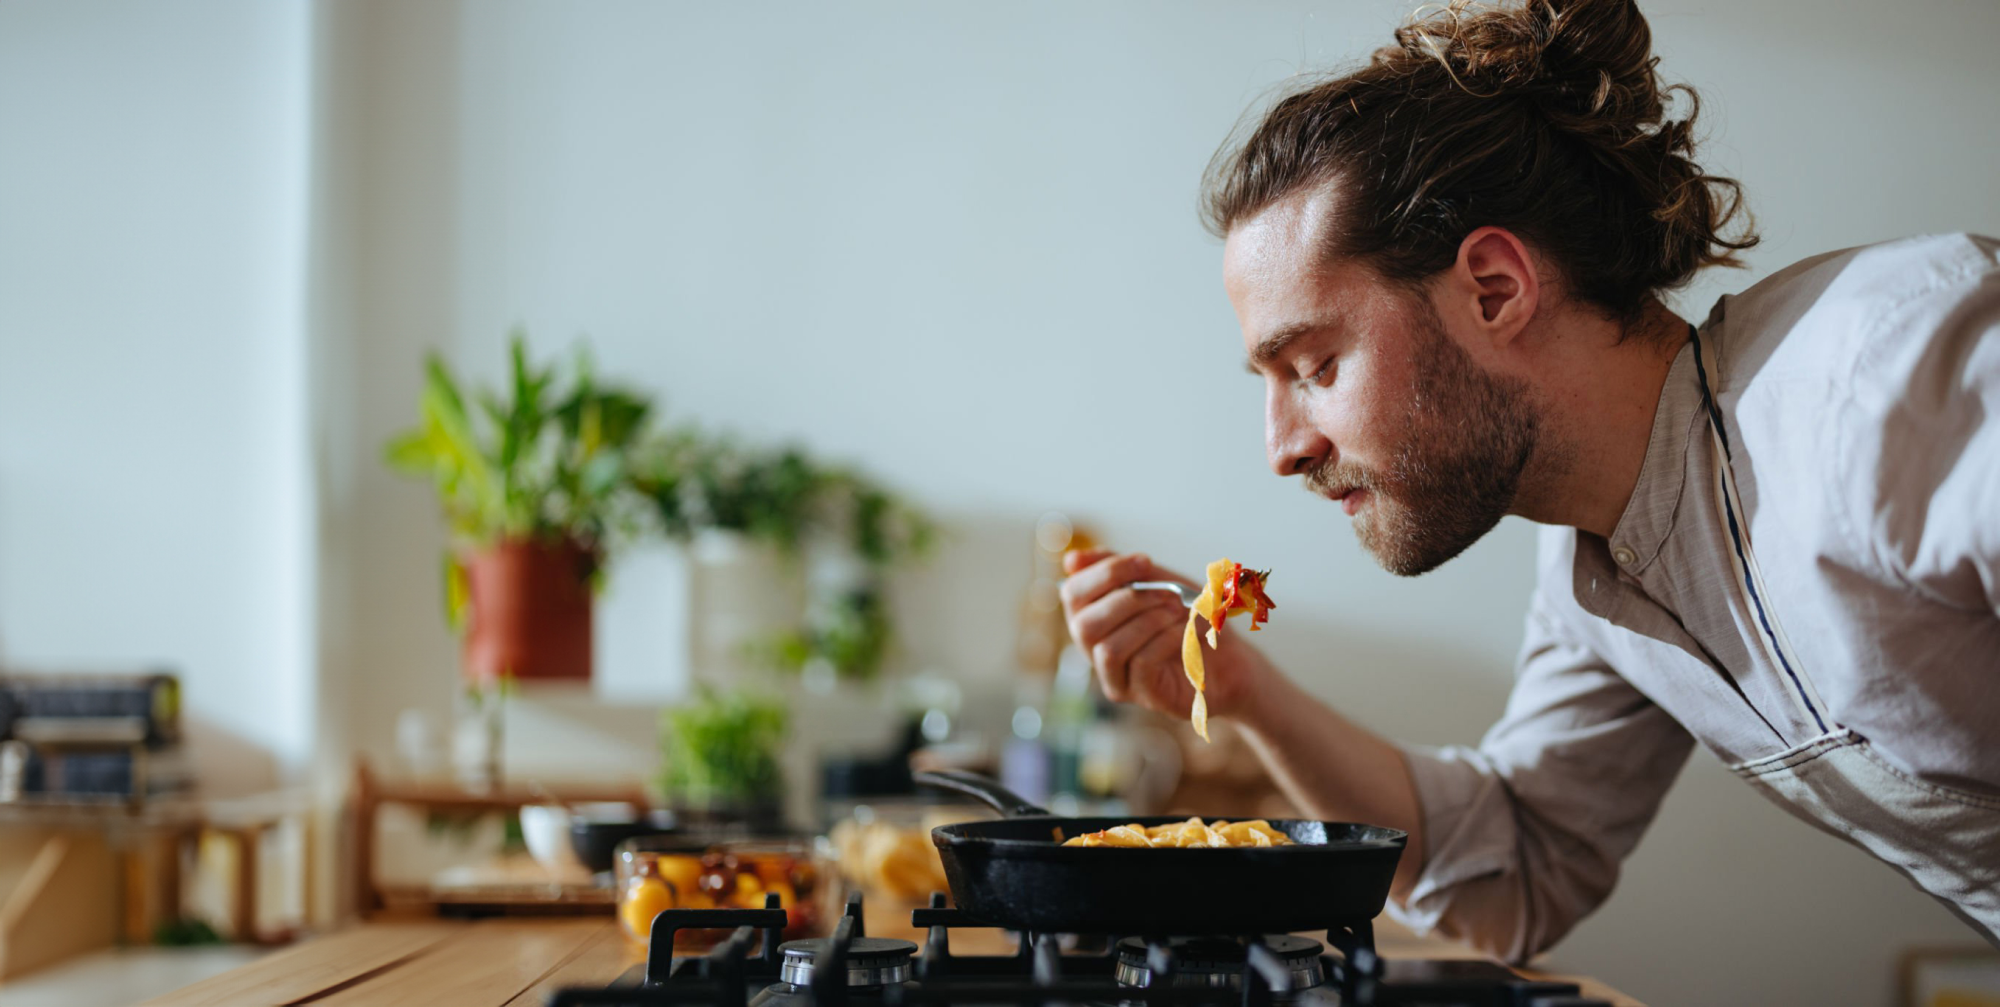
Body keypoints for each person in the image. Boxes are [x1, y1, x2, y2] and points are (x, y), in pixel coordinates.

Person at [1060, 0, 1999, 962]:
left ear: (1495, 290)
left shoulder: (1892, 370)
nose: (1283, 448)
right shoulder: (1596, 573)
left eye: (1316, 366)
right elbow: (1513, 868)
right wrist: (1248, 692)